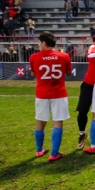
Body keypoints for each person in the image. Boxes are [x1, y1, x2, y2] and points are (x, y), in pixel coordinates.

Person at [29, 31, 72, 161]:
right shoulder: (64, 56)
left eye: (39, 43)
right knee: (58, 123)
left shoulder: (34, 57)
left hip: (42, 94)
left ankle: (39, 150)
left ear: (44, 43)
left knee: (40, 122)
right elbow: (69, 73)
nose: (38, 45)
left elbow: (34, 74)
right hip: (59, 93)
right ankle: (54, 154)